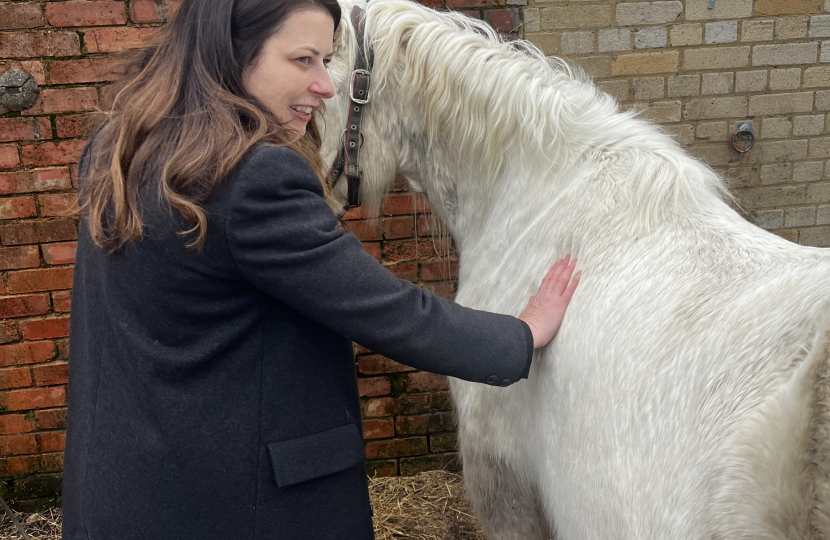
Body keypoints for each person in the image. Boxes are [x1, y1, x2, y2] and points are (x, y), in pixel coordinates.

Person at [61, 0, 580, 538]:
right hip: (242, 507)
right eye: (303, 60)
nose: (326, 87)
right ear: (234, 52)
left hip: (129, 488)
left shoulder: (119, 144)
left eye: (326, 61)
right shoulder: (252, 175)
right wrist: (519, 335)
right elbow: (389, 313)